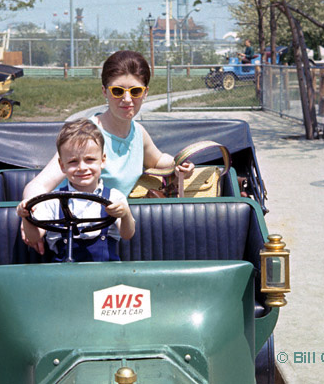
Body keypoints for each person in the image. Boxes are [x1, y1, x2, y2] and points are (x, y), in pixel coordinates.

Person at [18, 50, 194, 254]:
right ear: (104, 91)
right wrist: (30, 218)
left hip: (111, 233)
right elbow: (39, 184)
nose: (127, 99)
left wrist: (179, 164)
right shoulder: (86, 135)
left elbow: (157, 160)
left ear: (145, 93)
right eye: (118, 91)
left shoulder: (138, 133)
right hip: (72, 232)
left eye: (135, 91)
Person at [31, 118, 135, 262]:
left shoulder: (114, 197)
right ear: (62, 165)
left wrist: (125, 214)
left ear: (103, 160)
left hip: (106, 275)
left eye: (90, 159)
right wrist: (25, 216)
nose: (82, 167)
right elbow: (34, 237)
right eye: (73, 161)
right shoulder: (54, 201)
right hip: (63, 276)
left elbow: (127, 234)